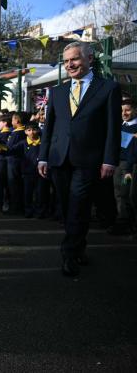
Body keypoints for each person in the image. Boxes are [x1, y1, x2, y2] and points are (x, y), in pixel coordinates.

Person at [38, 41, 121, 277]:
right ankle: (79, 246)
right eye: (66, 61)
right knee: (67, 208)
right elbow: (49, 128)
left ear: (89, 58)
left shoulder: (108, 88)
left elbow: (113, 129)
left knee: (77, 205)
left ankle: (68, 254)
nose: (70, 65)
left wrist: (109, 160)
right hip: (59, 158)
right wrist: (42, 157)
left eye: (74, 59)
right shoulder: (57, 91)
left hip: (89, 160)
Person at [8, 122, 48, 218]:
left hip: (41, 173)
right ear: (25, 132)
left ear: (38, 130)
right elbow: (11, 150)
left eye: (34, 129)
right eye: (29, 130)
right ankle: (28, 211)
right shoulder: (23, 143)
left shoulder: (43, 142)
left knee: (40, 193)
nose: (32, 132)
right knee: (27, 193)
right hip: (27, 172)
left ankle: (40, 212)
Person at [110, 99, 137, 234]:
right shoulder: (120, 126)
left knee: (128, 194)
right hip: (119, 165)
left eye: (127, 110)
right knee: (119, 193)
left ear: (134, 110)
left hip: (130, 166)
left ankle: (129, 223)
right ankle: (123, 221)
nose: (124, 113)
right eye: (122, 110)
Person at [0, 113, 12, 212]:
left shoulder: (4, 134)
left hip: (1, 161)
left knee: (1, 184)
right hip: (3, 161)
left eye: (0, 121)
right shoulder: (9, 132)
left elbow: (5, 148)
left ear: (5, 123)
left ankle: (1, 203)